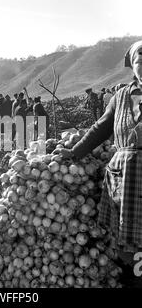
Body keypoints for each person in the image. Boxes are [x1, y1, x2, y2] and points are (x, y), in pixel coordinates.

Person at [53, 40, 142, 288]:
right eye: (139, 58)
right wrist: (75, 151)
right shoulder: (120, 97)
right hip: (127, 179)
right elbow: (100, 129)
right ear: (132, 65)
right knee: (130, 243)